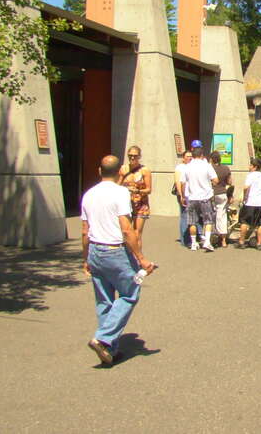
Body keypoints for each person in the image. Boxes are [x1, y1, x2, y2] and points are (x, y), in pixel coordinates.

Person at [81, 155, 155, 366]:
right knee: (130, 293)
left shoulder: (88, 194)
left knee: (104, 300)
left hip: (95, 249)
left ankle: (109, 349)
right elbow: (126, 228)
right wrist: (141, 258)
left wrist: (85, 258)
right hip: (115, 251)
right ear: (120, 173)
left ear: (99, 171)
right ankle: (103, 337)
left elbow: (85, 231)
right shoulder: (121, 193)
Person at [180, 140, 219, 251]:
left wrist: (183, 196)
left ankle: (193, 243)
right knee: (208, 220)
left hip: (192, 197)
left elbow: (182, 183)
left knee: (192, 221)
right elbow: (215, 180)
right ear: (202, 155)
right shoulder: (206, 166)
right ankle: (206, 241)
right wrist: (209, 183)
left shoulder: (187, 166)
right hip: (205, 197)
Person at [119, 146, 152, 242]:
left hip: (141, 204)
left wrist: (137, 191)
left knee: (137, 233)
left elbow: (149, 189)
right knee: (127, 233)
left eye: (135, 156)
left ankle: (137, 256)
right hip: (126, 204)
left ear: (139, 156)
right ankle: (128, 255)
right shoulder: (123, 169)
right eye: (130, 156)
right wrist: (127, 188)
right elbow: (117, 186)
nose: (132, 158)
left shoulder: (145, 170)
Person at [238, 157, 261, 250]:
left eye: (251, 165)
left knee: (244, 222)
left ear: (255, 167)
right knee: (260, 224)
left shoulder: (250, 175)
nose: (249, 166)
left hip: (250, 202)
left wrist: (244, 196)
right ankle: (259, 243)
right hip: (260, 203)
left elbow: (245, 187)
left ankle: (241, 241)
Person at [210, 150, 233, 248]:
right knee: (222, 216)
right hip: (223, 194)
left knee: (212, 216)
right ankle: (223, 240)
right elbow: (230, 182)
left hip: (211, 194)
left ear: (211, 159)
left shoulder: (210, 168)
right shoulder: (226, 168)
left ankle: (213, 237)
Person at [174, 150, 193, 246]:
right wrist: (181, 195)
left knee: (192, 216)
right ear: (183, 158)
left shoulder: (192, 167)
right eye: (187, 156)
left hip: (192, 194)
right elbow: (178, 181)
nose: (189, 158)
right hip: (183, 194)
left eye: (191, 156)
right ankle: (184, 239)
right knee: (184, 215)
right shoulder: (180, 167)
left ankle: (191, 236)